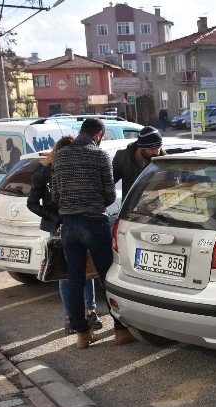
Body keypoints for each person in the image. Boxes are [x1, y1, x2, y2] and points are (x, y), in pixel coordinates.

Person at [51, 117, 136, 349]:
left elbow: (55, 195)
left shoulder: (61, 155)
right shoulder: (99, 155)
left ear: (81, 132)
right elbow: (109, 194)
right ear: (99, 134)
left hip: (69, 225)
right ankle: (120, 330)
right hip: (94, 223)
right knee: (107, 276)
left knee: (75, 279)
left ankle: (82, 334)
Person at [27, 136, 102, 335]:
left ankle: (91, 311)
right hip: (58, 226)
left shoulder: (77, 171)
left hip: (78, 222)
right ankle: (70, 316)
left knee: (86, 270)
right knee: (65, 274)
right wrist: (55, 217)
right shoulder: (43, 174)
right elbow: (32, 204)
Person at [112, 126, 163, 196]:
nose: (157, 152)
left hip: (155, 205)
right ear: (140, 148)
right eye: (152, 149)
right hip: (130, 205)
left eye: (158, 147)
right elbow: (109, 181)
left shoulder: (164, 160)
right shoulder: (123, 157)